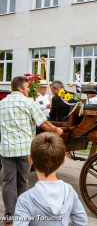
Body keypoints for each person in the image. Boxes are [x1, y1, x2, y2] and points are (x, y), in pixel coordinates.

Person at [0, 76, 63, 226]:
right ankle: (22, 214)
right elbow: (44, 123)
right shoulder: (29, 103)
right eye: (27, 87)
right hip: (24, 150)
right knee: (22, 181)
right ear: (21, 88)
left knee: (8, 182)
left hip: (6, 150)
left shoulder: (1, 104)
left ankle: (9, 217)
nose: (28, 90)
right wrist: (57, 130)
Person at [14, 132, 88, 226]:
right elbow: (81, 222)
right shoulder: (69, 192)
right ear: (63, 161)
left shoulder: (25, 200)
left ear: (30, 159)